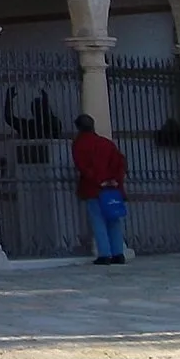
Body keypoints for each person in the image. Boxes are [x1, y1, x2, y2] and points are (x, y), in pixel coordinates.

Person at [72, 113, 128, 265]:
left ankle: (104, 253)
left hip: (94, 188)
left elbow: (83, 166)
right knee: (113, 219)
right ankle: (118, 252)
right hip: (112, 187)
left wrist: (99, 180)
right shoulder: (106, 143)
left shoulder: (80, 144)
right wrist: (114, 180)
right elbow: (120, 163)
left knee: (98, 220)